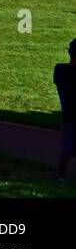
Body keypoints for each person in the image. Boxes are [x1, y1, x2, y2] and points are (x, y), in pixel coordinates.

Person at [56, 39, 75, 180]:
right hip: (72, 115)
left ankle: (61, 175)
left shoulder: (61, 70)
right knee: (69, 147)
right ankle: (60, 175)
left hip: (68, 114)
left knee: (68, 146)